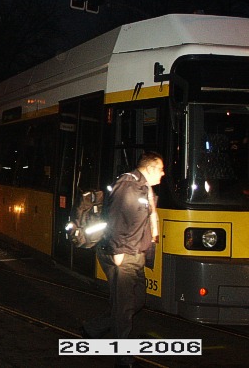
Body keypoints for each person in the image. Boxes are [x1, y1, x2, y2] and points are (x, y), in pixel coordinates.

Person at [81, 151, 164, 368]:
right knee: (125, 307)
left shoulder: (144, 187)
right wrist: (118, 252)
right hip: (122, 254)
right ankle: (123, 356)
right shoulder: (128, 185)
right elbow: (116, 218)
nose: (163, 174)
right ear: (151, 168)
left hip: (135, 253)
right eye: (161, 169)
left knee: (137, 300)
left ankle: (94, 328)